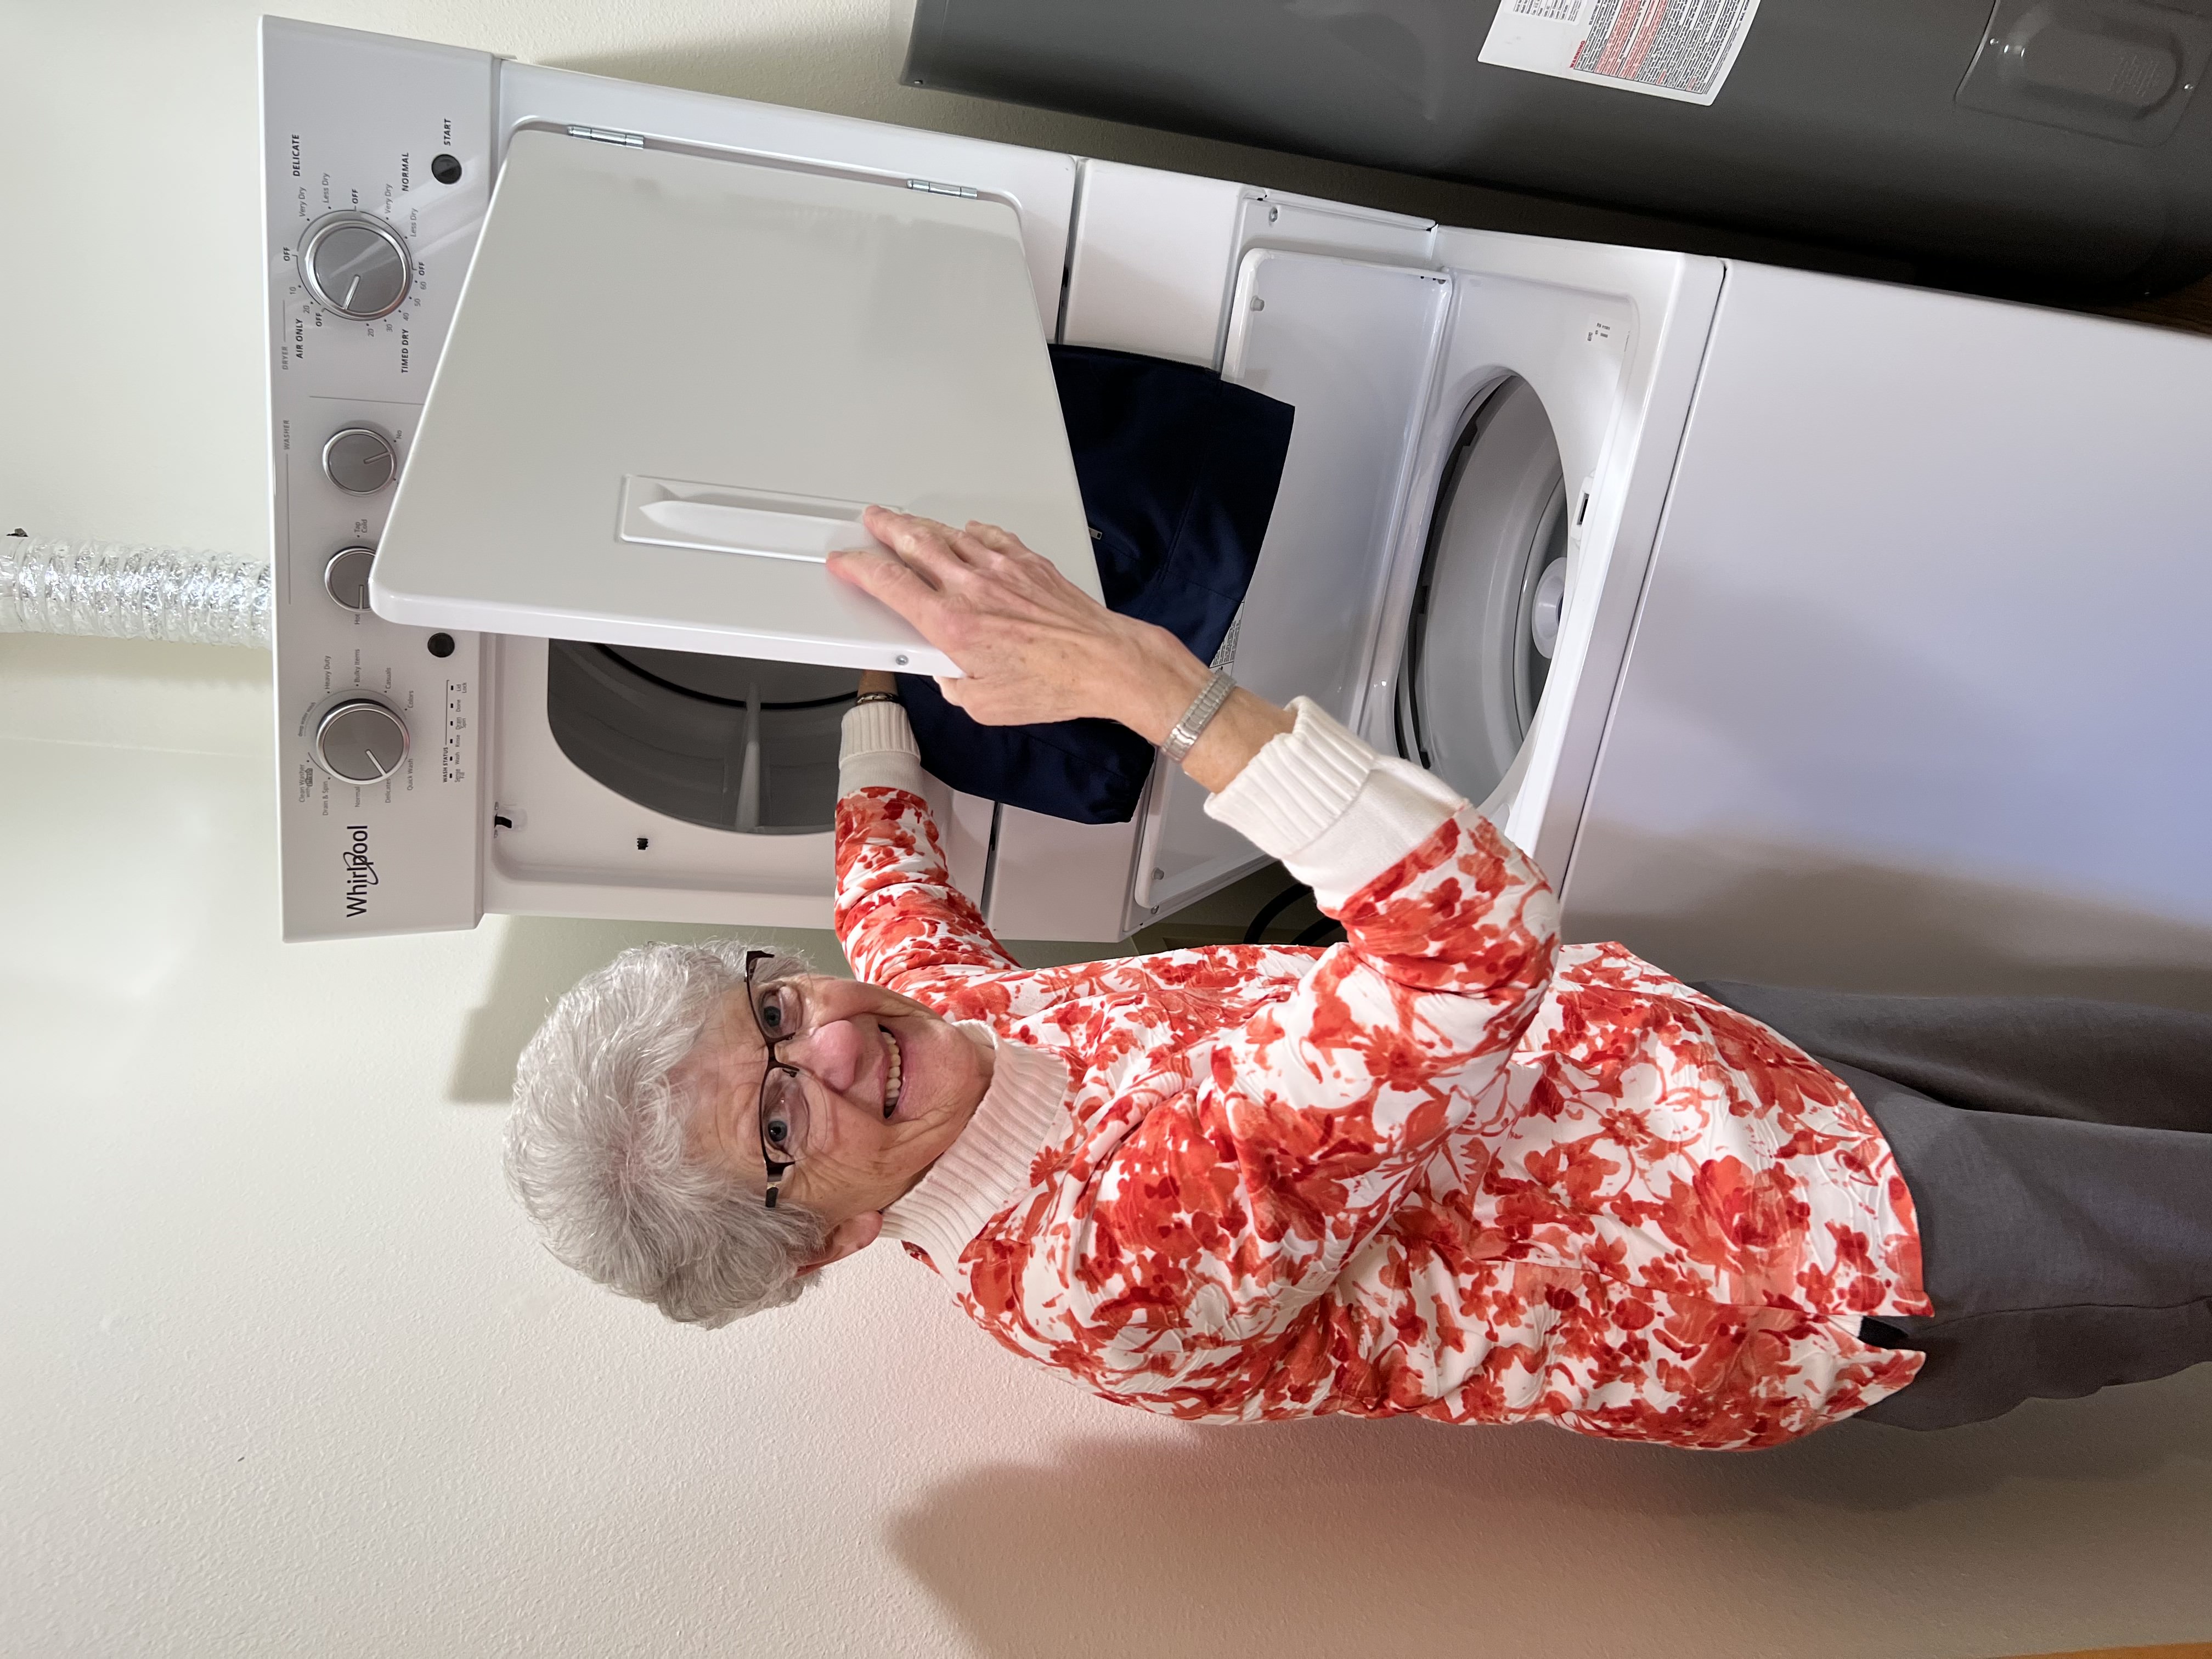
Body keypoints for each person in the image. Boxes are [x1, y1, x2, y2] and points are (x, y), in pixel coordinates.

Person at [506, 507, 2212, 1448]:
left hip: (1749, 1067)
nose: (827, 1047)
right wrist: (1146, 683)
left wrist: (875, 674)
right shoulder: (1100, 1273)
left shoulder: (952, 1029)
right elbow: (1470, 945)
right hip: (1812, 1247)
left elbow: (886, 891)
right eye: (779, 1127)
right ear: (826, 1245)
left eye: (771, 1010)